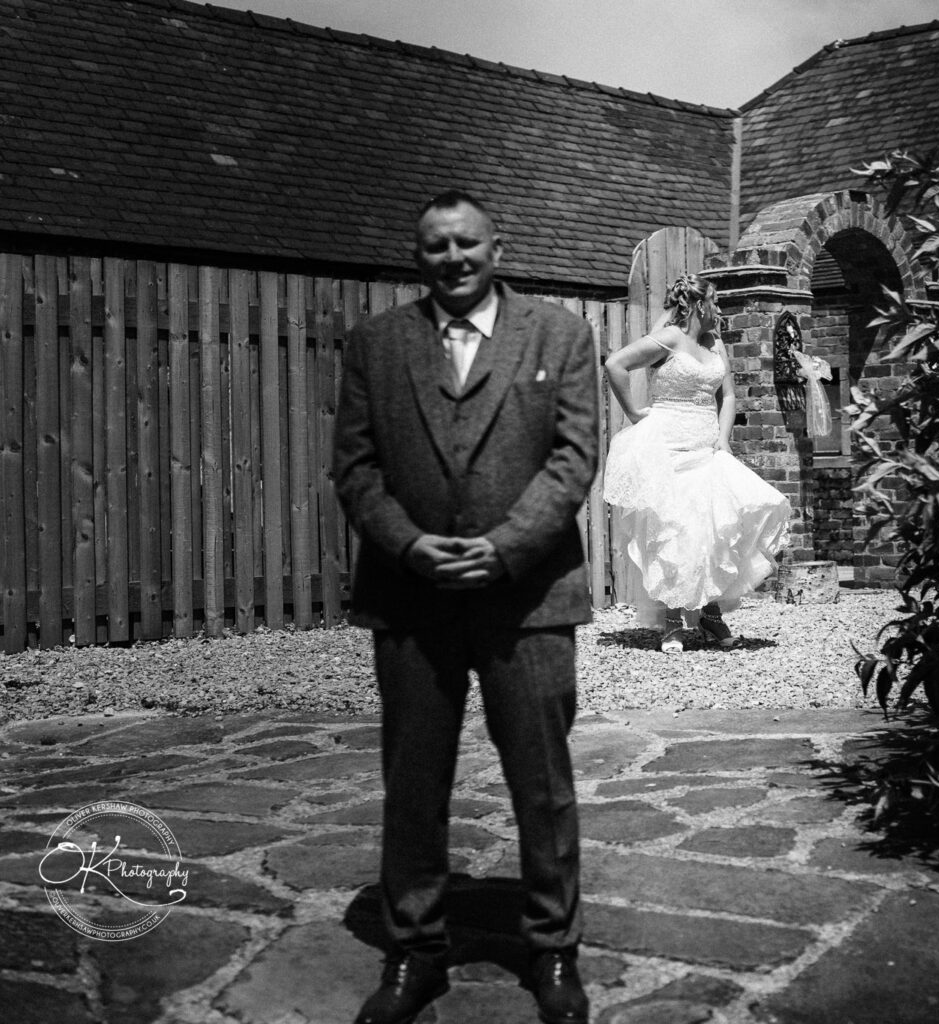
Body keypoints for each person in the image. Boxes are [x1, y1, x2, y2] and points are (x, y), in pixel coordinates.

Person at [333, 189, 596, 1024]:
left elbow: (573, 458)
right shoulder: (376, 345)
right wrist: (409, 546)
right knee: (413, 784)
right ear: (419, 257)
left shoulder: (559, 334)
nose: (454, 259)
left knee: (541, 782)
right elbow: (357, 469)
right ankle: (416, 953)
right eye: (437, 247)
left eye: (468, 244)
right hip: (411, 598)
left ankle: (553, 952)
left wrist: (505, 547)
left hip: (530, 598)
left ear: (497, 247)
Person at [602, 273, 791, 652]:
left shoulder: (715, 343)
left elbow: (730, 397)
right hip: (668, 445)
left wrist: (723, 440)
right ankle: (672, 621)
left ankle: (709, 614)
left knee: (714, 529)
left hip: (706, 445)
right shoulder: (671, 338)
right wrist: (636, 414)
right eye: (716, 302)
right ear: (700, 304)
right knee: (676, 530)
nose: (720, 309)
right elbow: (615, 364)